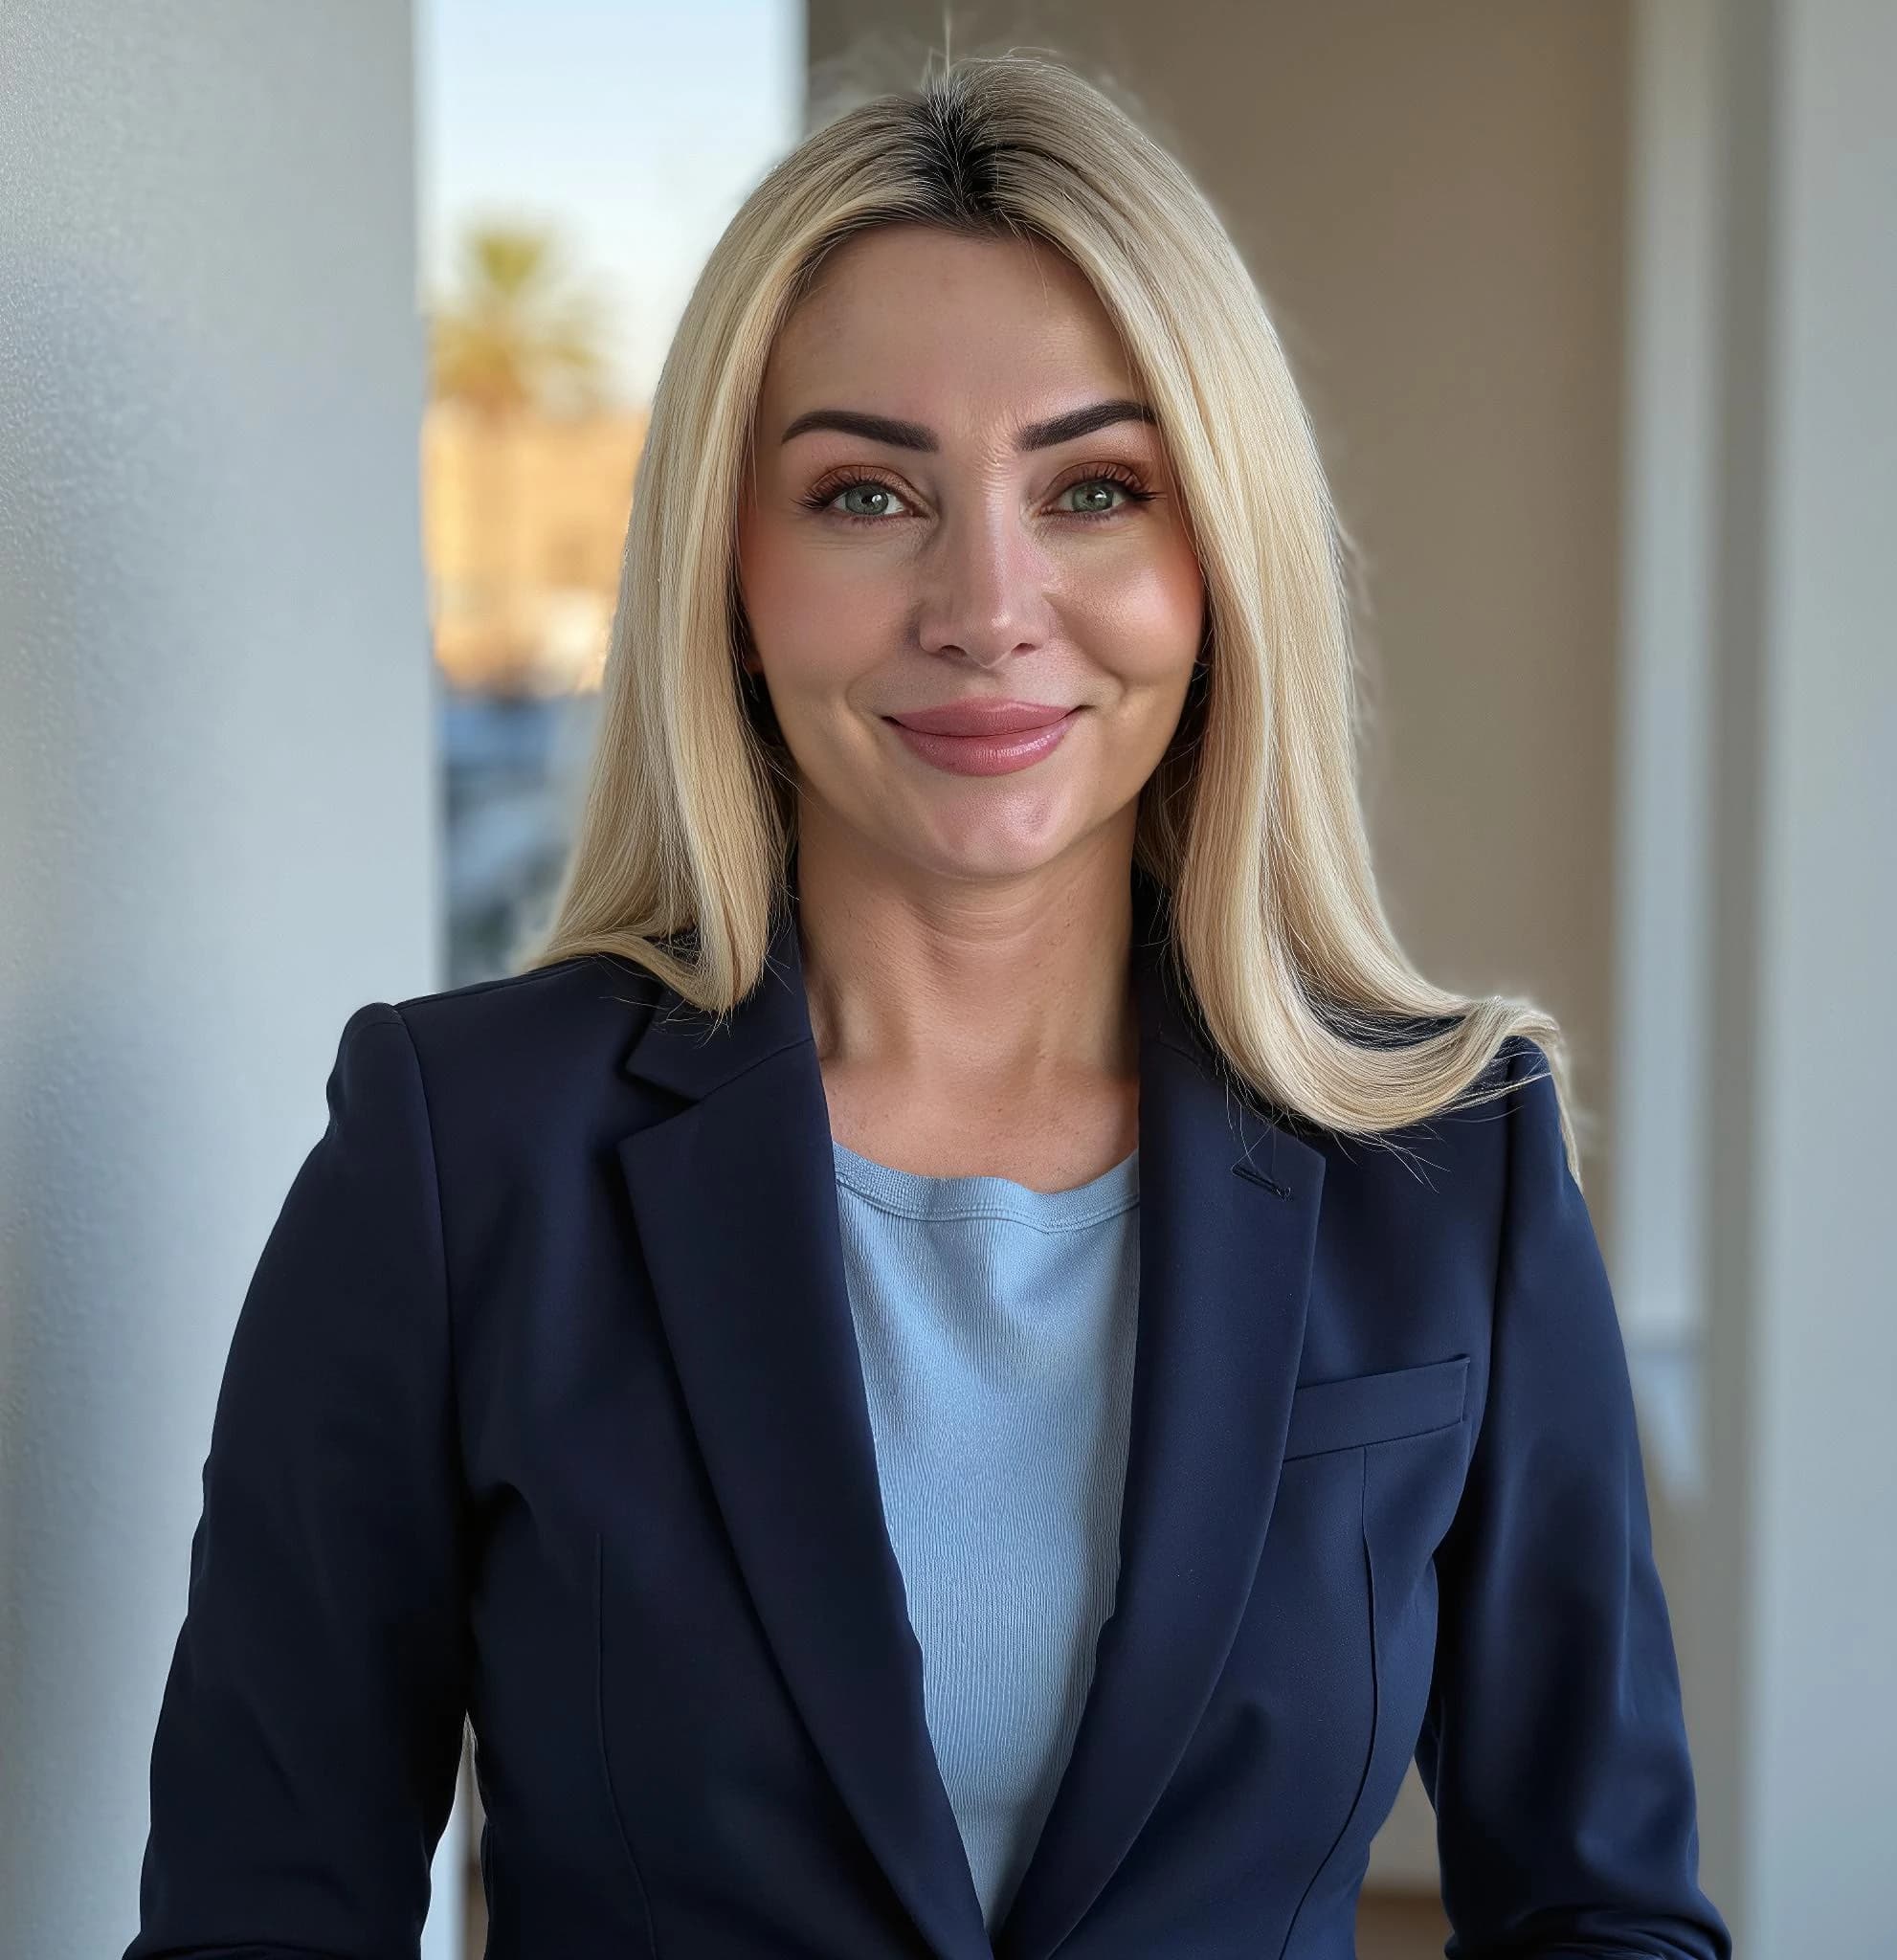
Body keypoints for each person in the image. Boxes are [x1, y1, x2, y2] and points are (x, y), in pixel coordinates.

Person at [123, 50, 1732, 1960]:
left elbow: (1604, 1915)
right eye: (867, 490)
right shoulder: (459, 1159)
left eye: (1095, 487)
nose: (985, 601)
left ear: (1216, 559)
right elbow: (261, 1916)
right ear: (730, 572)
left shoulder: (1449, 1158)